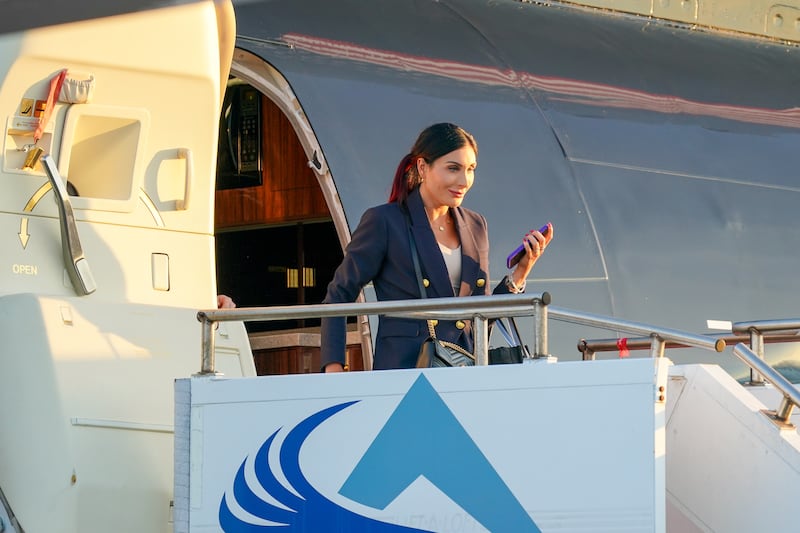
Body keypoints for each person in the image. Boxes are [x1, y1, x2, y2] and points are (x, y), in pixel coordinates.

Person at [320, 123, 552, 372]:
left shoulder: (475, 224)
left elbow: (479, 315)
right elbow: (339, 294)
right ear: (422, 167)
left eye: (471, 169)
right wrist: (334, 368)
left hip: (464, 369)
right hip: (407, 371)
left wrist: (521, 272)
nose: (464, 180)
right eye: (453, 168)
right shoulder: (385, 221)